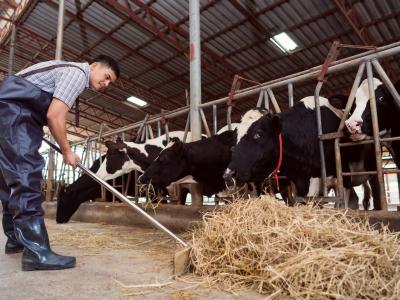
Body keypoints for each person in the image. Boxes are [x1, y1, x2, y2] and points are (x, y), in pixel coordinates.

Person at [0, 55, 120, 271]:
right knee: (26, 174)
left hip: (7, 109)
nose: (106, 84)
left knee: (9, 178)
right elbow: (55, 116)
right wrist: (67, 151)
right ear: (94, 66)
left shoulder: (65, 70)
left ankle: (16, 239)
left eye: (110, 82)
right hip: (15, 112)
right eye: (106, 76)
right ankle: (37, 253)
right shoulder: (77, 73)